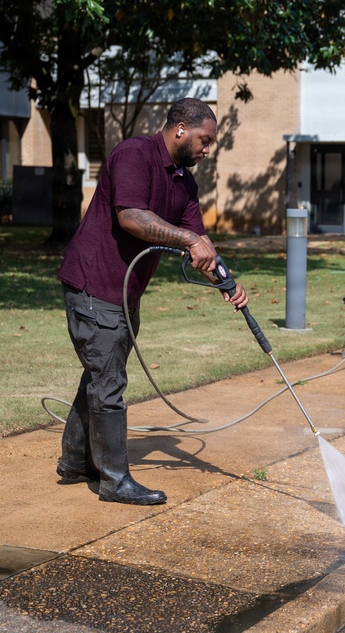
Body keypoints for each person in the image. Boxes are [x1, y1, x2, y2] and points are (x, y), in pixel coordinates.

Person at [55, 98, 247, 505]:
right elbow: (132, 217)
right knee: (109, 383)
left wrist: (228, 283)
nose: (207, 149)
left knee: (100, 375)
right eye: (204, 140)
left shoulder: (184, 182)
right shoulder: (134, 155)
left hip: (124, 293)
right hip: (94, 285)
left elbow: (202, 245)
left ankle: (74, 462)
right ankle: (114, 480)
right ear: (181, 128)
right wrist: (188, 240)